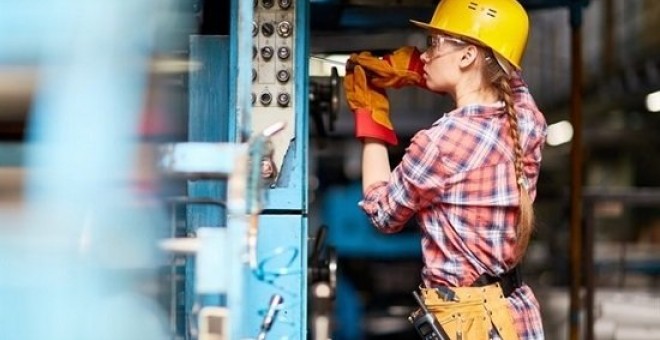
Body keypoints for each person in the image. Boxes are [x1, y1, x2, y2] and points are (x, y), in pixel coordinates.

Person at [343, 0, 547, 339]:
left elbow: (383, 214)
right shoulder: (527, 120)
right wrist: (434, 70)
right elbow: (507, 78)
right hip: (516, 315)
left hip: (468, 324)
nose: (423, 55)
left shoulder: (439, 143)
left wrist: (370, 113)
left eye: (433, 43)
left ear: (467, 56)